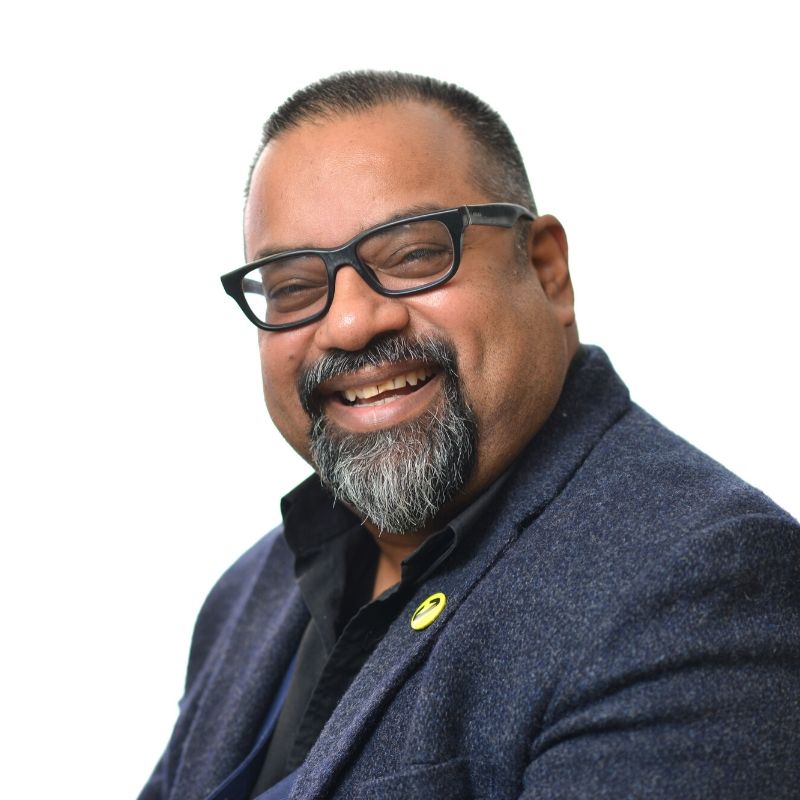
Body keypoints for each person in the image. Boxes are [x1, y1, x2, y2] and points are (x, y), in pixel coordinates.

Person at [139, 72, 800, 800]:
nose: (352, 323)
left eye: (414, 254)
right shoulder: (245, 596)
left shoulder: (702, 581)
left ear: (547, 272)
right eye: (294, 285)